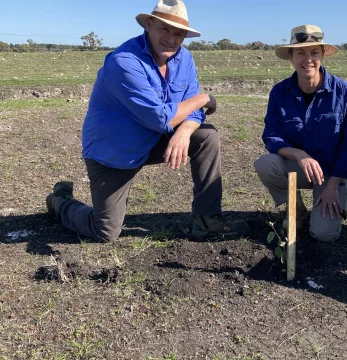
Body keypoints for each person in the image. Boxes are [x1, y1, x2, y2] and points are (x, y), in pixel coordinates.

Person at [45, 0, 248, 242]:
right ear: (149, 24)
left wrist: (184, 133)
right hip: (115, 153)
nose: (171, 39)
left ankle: (207, 220)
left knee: (206, 136)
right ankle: (61, 202)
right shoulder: (124, 62)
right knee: (105, 231)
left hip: (154, 139)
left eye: (178, 33)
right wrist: (204, 98)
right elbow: (160, 117)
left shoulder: (184, 59)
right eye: (164, 29)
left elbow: (192, 111)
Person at [254, 25, 347, 242]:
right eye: (300, 52)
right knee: (266, 164)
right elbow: (271, 135)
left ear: (322, 55)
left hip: (332, 173)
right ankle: (296, 208)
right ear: (291, 56)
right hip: (299, 167)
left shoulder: (343, 91)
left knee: (323, 235)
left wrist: (332, 185)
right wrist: (299, 155)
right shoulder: (279, 92)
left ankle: (336, 192)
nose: (307, 59)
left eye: (314, 52)